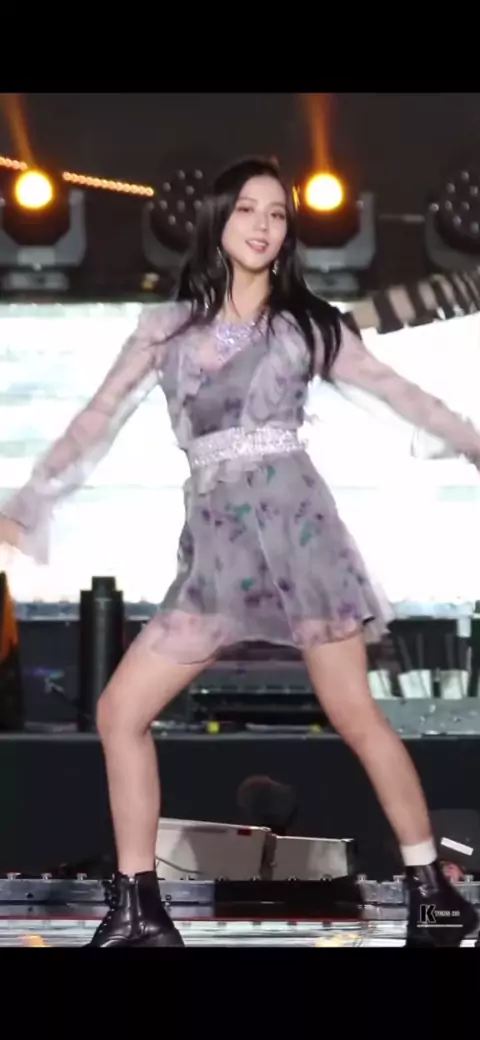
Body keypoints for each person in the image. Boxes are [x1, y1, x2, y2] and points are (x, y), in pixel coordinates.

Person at [1, 156, 480, 949]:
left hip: (298, 537)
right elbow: (96, 419)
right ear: (218, 220)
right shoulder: (166, 330)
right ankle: (140, 910)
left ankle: (433, 892)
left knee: (355, 715)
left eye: (278, 214)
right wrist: (28, 504)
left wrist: (473, 442)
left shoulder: (307, 326)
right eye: (248, 210)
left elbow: (403, 395)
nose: (263, 225)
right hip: (219, 554)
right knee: (121, 711)